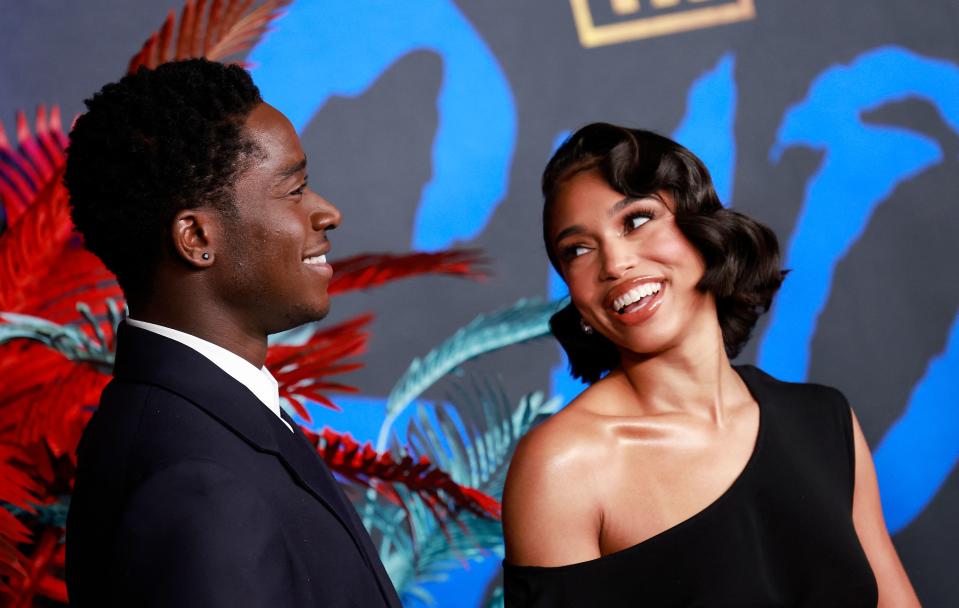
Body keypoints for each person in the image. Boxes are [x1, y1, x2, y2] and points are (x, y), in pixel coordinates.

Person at [501, 123, 919, 606]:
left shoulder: (824, 420)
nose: (614, 264)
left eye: (636, 221)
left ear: (702, 230)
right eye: (578, 250)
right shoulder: (565, 467)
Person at [64, 59, 401, 607]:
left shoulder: (190, 423)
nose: (328, 213)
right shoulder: (197, 484)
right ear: (197, 236)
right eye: (295, 190)